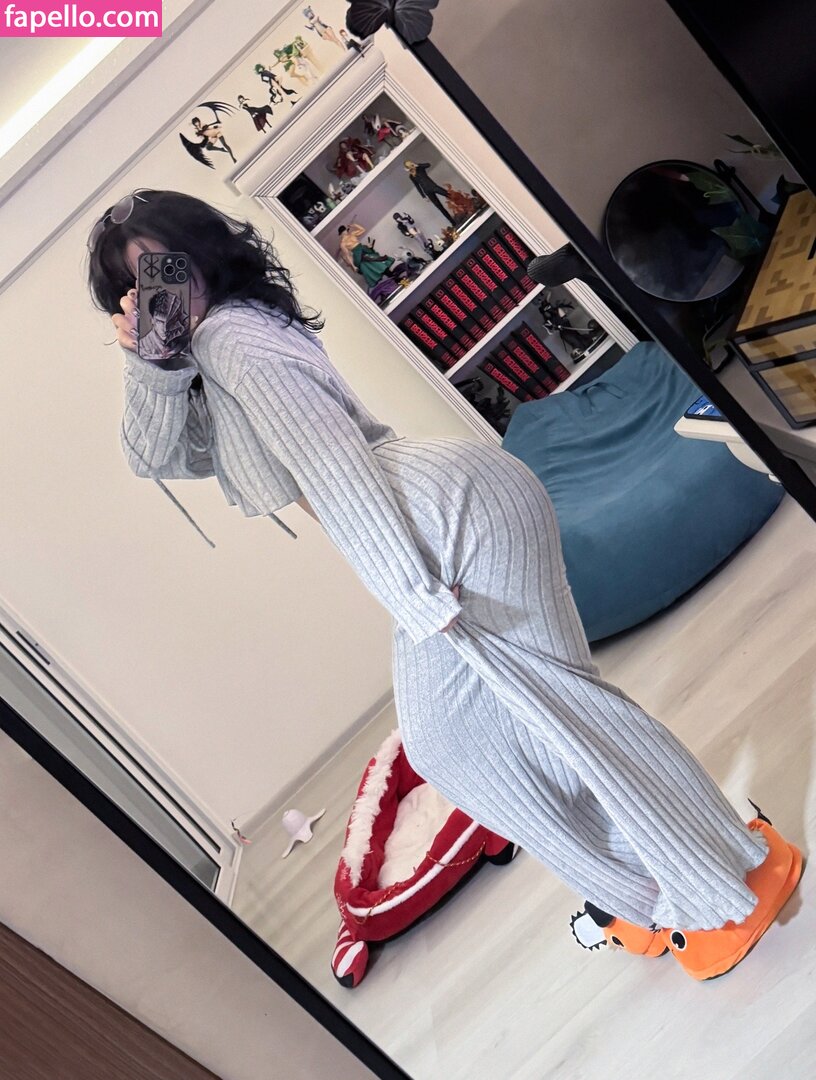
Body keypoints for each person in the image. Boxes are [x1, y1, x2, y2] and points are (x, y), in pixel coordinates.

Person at [87, 190, 803, 981]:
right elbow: (157, 457)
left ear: (200, 252)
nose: (160, 290)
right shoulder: (216, 348)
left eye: (166, 265)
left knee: (554, 717)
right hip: (444, 513)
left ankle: (719, 889)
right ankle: (666, 886)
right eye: (137, 283)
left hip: (443, 523)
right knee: (472, 740)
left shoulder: (231, 341)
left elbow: (336, 469)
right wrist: (149, 362)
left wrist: (413, 594)